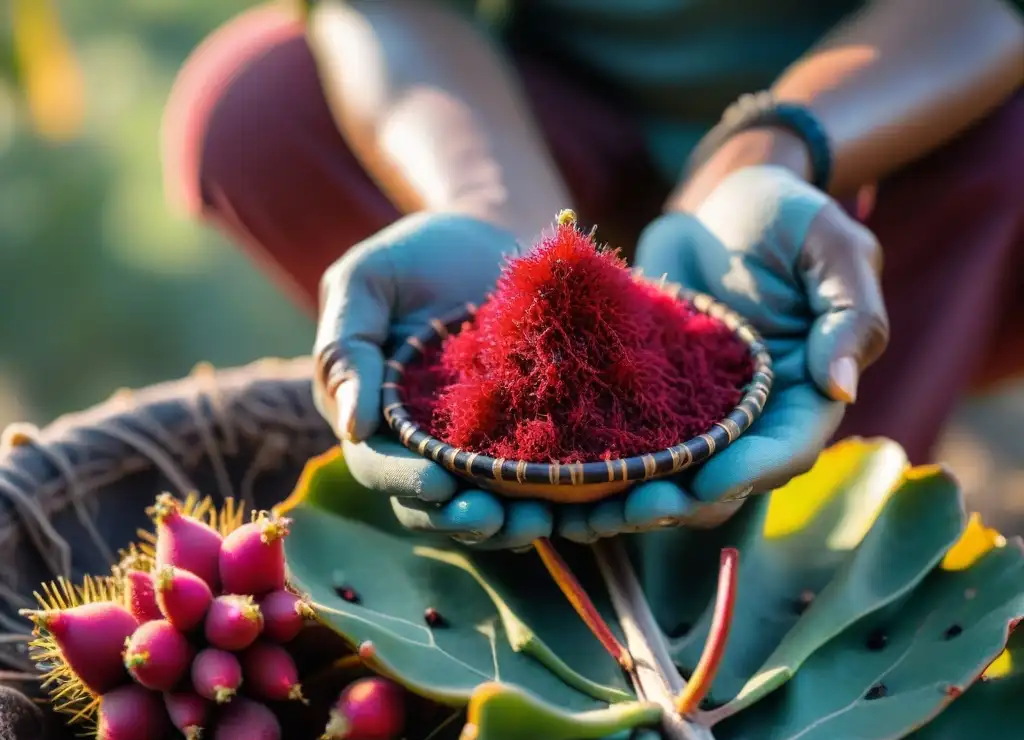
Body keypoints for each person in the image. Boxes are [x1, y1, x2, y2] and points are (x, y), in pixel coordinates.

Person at [161, 0, 1024, 548]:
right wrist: (495, 209)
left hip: (874, 146)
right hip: (547, 132)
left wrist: (769, 151)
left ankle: (827, 544)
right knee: (260, 107)